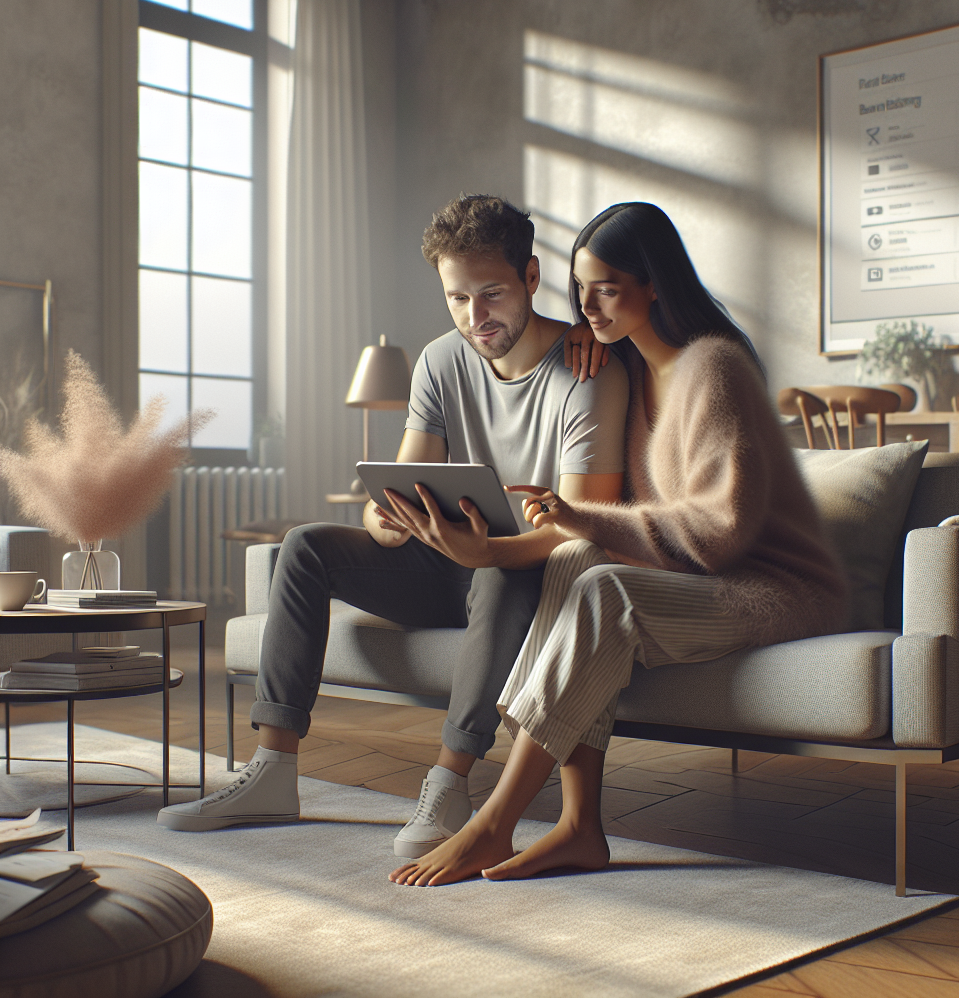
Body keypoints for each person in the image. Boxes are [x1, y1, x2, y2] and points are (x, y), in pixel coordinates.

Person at [387, 201, 848, 886]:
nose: (588, 305)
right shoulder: (623, 368)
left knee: (600, 581)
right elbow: (629, 514)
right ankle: (580, 826)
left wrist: (584, 519)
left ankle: (494, 823)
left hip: (770, 589)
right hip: (696, 580)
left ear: (654, 282)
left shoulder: (712, 369)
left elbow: (721, 535)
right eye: (580, 289)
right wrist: (583, 337)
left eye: (606, 287)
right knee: (575, 563)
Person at [157, 196, 628, 857]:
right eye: (457, 299)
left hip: (524, 574)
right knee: (304, 547)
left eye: (491, 294)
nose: (475, 317)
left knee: (499, 568)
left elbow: (580, 528)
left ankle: (449, 783)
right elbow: (400, 491)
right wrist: (388, 520)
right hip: (441, 566)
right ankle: (272, 770)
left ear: (531, 277)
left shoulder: (588, 371)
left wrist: (486, 546)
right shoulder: (440, 361)